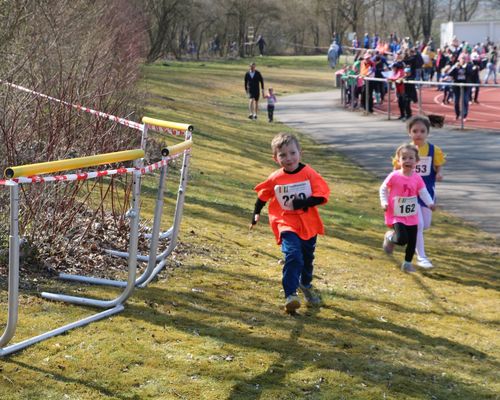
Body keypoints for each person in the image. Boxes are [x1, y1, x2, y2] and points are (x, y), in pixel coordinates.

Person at [250, 133, 330, 313]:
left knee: (307, 260)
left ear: (300, 152)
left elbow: (322, 195)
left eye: (292, 153)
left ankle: (305, 284)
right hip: (285, 221)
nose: (289, 158)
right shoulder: (276, 177)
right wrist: (255, 214)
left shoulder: (309, 173)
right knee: (293, 255)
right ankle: (290, 295)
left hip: (307, 224)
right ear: (275, 158)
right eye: (283, 155)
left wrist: (303, 203)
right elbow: (263, 195)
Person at [393, 116, 445, 268]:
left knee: (425, 225)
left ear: (427, 132)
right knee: (418, 225)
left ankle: (392, 237)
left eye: (422, 131)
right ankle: (422, 257)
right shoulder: (405, 150)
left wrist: (439, 173)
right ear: (409, 132)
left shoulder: (433, 150)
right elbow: (396, 167)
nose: (418, 134)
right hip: (408, 194)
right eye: (415, 131)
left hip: (426, 191)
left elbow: (438, 165)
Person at [380, 144, 436, 273]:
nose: (407, 161)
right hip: (396, 213)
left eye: (411, 158)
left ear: (416, 161)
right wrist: (384, 202)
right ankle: (389, 237)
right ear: (398, 161)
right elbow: (383, 189)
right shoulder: (394, 176)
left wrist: (430, 204)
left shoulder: (417, 178)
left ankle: (407, 263)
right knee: (402, 239)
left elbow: (423, 192)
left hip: (411, 214)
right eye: (404, 158)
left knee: (412, 240)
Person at [448, 53, 473, 120]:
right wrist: (455, 67)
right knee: (456, 101)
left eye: (464, 58)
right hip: (457, 85)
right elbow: (449, 73)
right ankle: (457, 114)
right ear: (459, 59)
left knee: (465, 100)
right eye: (462, 58)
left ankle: (464, 115)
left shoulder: (469, 66)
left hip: (465, 85)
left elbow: (470, 73)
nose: (463, 60)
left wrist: (465, 68)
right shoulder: (456, 66)